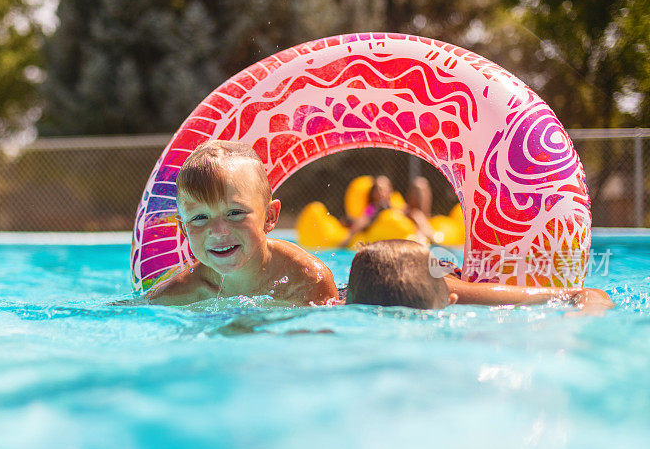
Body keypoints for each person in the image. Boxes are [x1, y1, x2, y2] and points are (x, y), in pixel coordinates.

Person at [145, 140, 339, 306]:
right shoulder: (174, 296)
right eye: (200, 218)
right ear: (184, 229)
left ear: (269, 216)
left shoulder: (308, 281)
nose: (218, 231)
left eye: (235, 213)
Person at [345, 239, 615, 313]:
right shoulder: (455, 292)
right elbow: (588, 294)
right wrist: (580, 321)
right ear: (449, 297)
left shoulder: (334, 298)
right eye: (440, 264)